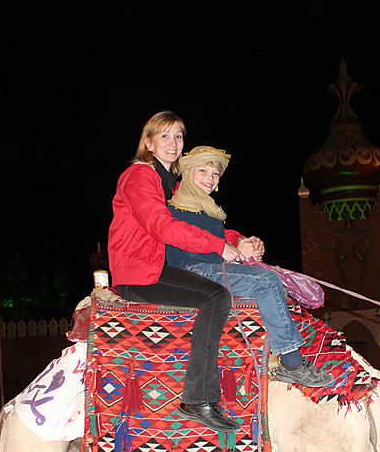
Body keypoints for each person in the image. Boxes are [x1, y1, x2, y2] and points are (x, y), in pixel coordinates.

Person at [107, 112, 238, 432]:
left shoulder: (169, 183)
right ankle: (199, 398)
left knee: (217, 290)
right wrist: (220, 247)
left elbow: (194, 222)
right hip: (139, 273)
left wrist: (236, 241)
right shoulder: (140, 176)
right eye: (164, 136)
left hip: (155, 267)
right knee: (216, 297)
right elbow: (161, 225)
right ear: (148, 142)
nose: (173, 143)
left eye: (178, 136)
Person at [164, 146, 333, 387]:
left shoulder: (208, 209)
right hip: (193, 272)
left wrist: (243, 244)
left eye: (215, 174)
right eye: (202, 170)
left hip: (209, 268)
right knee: (267, 281)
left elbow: (221, 237)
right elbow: (191, 241)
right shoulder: (176, 206)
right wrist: (228, 249)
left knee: (267, 277)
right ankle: (292, 361)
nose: (209, 178)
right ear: (188, 172)